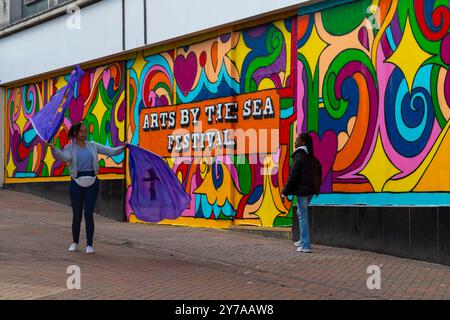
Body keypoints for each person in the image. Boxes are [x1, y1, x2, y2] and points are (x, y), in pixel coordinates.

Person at [47, 122, 125, 254]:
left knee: (88, 214)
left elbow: (110, 152)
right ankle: (75, 242)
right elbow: (64, 158)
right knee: (77, 215)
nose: (84, 133)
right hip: (76, 183)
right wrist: (54, 149)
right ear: (75, 133)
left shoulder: (92, 145)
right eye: (81, 131)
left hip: (92, 183)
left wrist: (123, 148)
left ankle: (89, 244)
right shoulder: (69, 148)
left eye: (85, 131)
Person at [282, 133, 317, 253]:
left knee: (303, 216)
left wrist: (284, 192)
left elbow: (293, 176)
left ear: (302, 143)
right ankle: (303, 240)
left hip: (302, 191)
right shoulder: (310, 156)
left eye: (297, 140)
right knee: (301, 213)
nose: (295, 142)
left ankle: (306, 245)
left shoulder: (299, 156)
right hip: (310, 191)